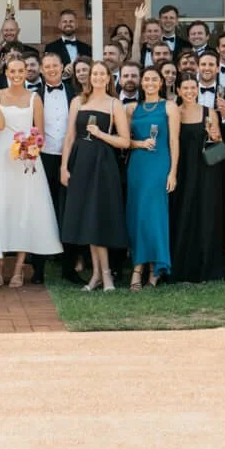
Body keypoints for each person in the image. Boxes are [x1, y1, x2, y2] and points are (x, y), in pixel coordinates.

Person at [0, 53, 60, 288]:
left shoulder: (34, 99)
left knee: (25, 210)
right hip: (2, 158)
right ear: (6, 73)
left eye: (21, 71)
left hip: (27, 160)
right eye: (13, 71)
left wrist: (29, 149)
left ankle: (18, 269)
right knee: (1, 209)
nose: (17, 75)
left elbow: (39, 133)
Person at [60, 60, 132, 292]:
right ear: (89, 77)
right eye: (95, 74)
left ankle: (103, 275)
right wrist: (64, 166)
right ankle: (100, 276)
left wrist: (101, 134)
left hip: (103, 164)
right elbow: (70, 136)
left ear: (109, 78)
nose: (99, 77)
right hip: (80, 162)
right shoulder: (78, 101)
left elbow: (125, 141)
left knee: (98, 217)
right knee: (87, 219)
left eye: (103, 74)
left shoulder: (114, 104)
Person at [168, 75, 225, 283]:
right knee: (183, 212)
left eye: (193, 87)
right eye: (185, 88)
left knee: (206, 213)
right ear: (178, 90)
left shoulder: (208, 111)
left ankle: (208, 267)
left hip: (206, 169)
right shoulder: (175, 112)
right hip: (183, 169)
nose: (189, 91)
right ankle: (184, 267)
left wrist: (213, 133)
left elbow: (217, 140)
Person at [125, 66, 178, 289]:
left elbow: (174, 141)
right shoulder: (131, 108)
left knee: (155, 216)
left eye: (154, 79)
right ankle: (138, 266)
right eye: (146, 79)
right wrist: (139, 143)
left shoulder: (170, 107)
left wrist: (173, 172)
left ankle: (155, 268)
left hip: (159, 165)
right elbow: (124, 140)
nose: (149, 83)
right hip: (138, 165)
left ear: (161, 82)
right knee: (137, 216)